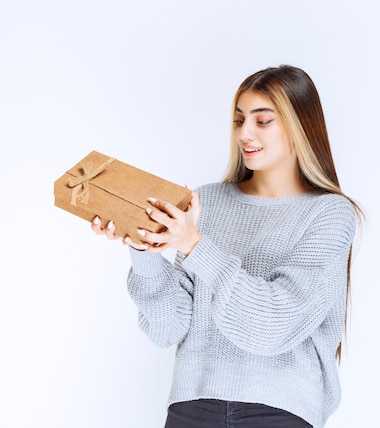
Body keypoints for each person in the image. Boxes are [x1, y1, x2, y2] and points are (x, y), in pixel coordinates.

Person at [91, 65, 363, 428]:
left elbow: (272, 326)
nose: (244, 133)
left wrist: (194, 245)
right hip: (192, 407)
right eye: (238, 120)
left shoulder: (329, 214)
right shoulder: (208, 202)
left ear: (300, 127)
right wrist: (145, 248)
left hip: (278, 411)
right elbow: (166, 329)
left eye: (262, 121)